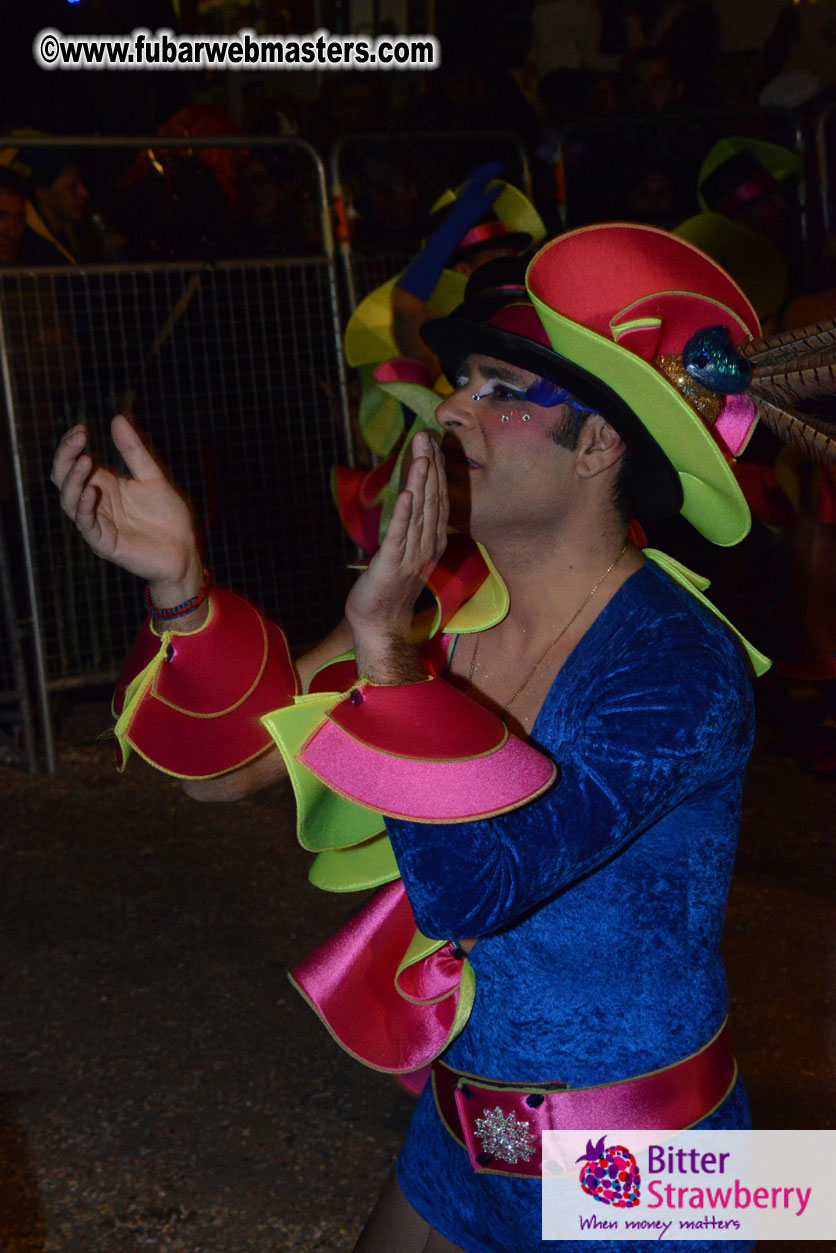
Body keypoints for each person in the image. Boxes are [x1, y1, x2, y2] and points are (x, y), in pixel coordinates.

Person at [52, 223, 787, 1252]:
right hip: (463, 1130)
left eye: (497, 391)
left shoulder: (678, 666)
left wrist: (390, 661)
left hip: (657, 1168)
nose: (446, 409)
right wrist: (179, 587)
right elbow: (231, 769)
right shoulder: (446, 602)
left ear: (600, 444)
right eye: (460, 382)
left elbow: (471, 888)